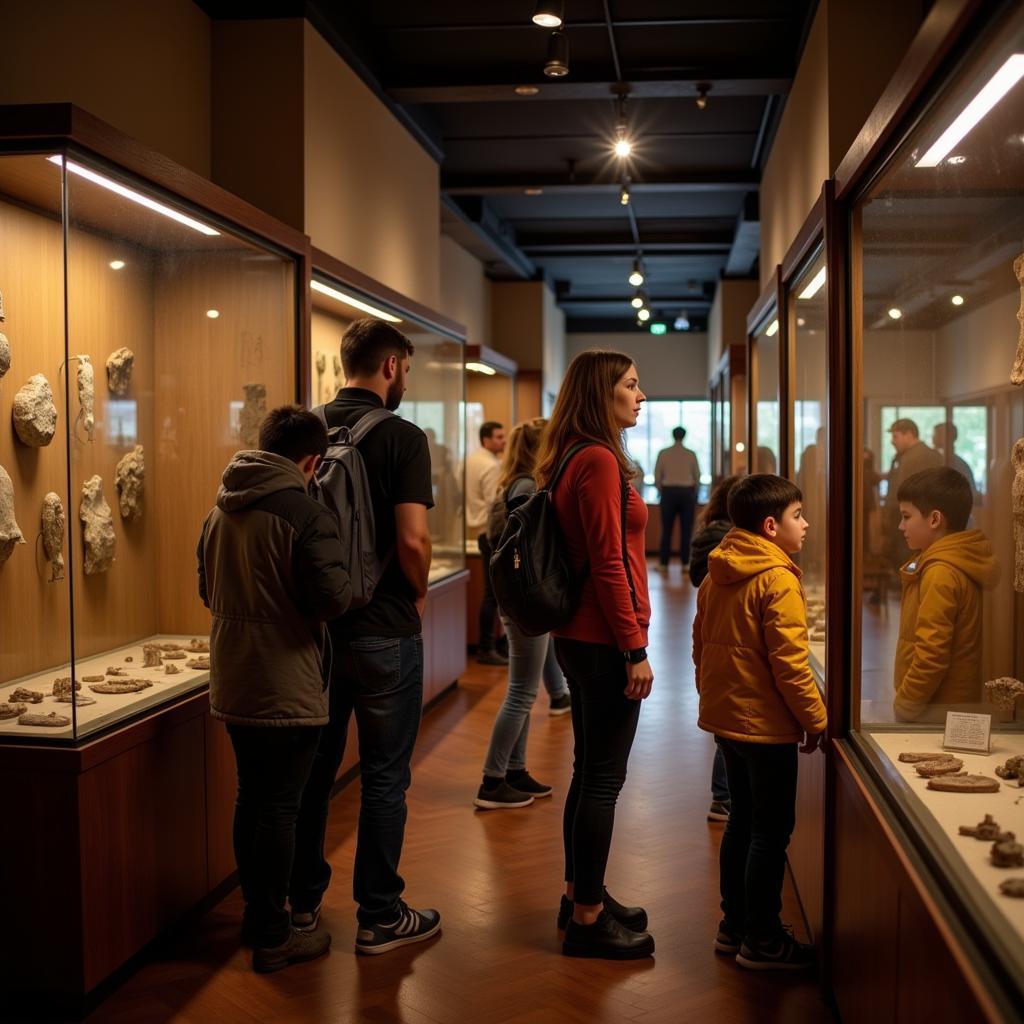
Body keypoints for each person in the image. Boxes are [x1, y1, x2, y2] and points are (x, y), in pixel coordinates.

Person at [290, 317, 441, 956]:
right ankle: (380, 916)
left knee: (313, 775)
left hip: (317, 631)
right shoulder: (403, 437)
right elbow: (412, 538)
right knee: (384, 776)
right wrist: (419, 590)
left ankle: (299, 908)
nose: (405, 377)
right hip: (385, 630)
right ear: (389, 366)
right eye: (405, 367)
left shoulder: (306, 429)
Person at [197, 406, 352, 973]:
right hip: (287, 679)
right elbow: (332, 599)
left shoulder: (221, 507)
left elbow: (206, 588)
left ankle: (254, 914)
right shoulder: (303, 513)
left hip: (235, 675)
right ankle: (273, 932)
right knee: (282, 808)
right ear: (312, 462)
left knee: (251, 799)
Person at [535, 349, 656, 960]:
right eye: (631, 385)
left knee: (589, 775)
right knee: (603, 780)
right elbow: (610, 562)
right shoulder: (600, 460)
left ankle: (578, 893)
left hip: (577, 639)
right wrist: (634, 645)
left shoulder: (571, 455)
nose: (641, 395)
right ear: (600, 393)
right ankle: (587, 920)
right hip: (604, 639)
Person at [692, 474, 827, 971]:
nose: (806, 524)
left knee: (742, 823)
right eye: (798, 515)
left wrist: (714, 697)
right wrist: (815, 719)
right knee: (770, 832)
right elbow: (790, 663)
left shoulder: (716, 573)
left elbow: (699, 644)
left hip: (729, 720)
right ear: (772, 526)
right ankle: (764, 939)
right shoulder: (777, 579)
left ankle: (734, 925)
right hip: (767, 727)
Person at [474, 418, 570, 810]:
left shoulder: (519, 482)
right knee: (521, 692)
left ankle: (514, 769)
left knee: (526, 689)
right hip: (525, 599)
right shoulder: (527, 487)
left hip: (521, 599)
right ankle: (492, 780)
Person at [892, 467, 999, 722]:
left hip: (937, 709)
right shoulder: (949, 561)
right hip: (947, 704)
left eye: (906, 516)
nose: (900, 526)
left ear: (934, 519)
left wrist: (906, 705)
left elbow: (931, 655)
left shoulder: (940, 572)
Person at [688, 474, 742, 823]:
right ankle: (723, 795)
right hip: (729, 632)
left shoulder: (712, 530)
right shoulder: (726, 537)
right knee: (732, 723)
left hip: (719, 631)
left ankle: (723, 795)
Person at [467, 421, 508, 665]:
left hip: (479, 530)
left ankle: (490, 644)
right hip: (490, 532)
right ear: (486, 439)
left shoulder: (471, 460)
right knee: (492, 594)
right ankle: (487, 646)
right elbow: (496, 504)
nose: (503, 441)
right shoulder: (491, 466)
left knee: (491, 593)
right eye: (499, 436)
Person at [883, 419, 942, 568]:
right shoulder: (907, 456)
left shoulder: (914, 457)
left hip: (913, 519)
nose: (892, 441)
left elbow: (907, 493)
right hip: (912, 519)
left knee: (908, 559)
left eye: (895, 437)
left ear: (909, 434)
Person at [653, 426, 701, 572]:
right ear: (684, 436)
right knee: (687, 530)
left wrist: (662, 491)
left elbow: (657, 476)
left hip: (668, 492)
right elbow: (697, 476)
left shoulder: (663, 453)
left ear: (673, 435)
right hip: (687, 493)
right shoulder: (691, 454)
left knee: (666, 529)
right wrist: (695, 493)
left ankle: (663, 563)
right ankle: (686, 564)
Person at [932, 422, 981, 510]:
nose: (933, 438)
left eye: (936, 435)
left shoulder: (957, 464)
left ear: (946, 437)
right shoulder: (941, 459)